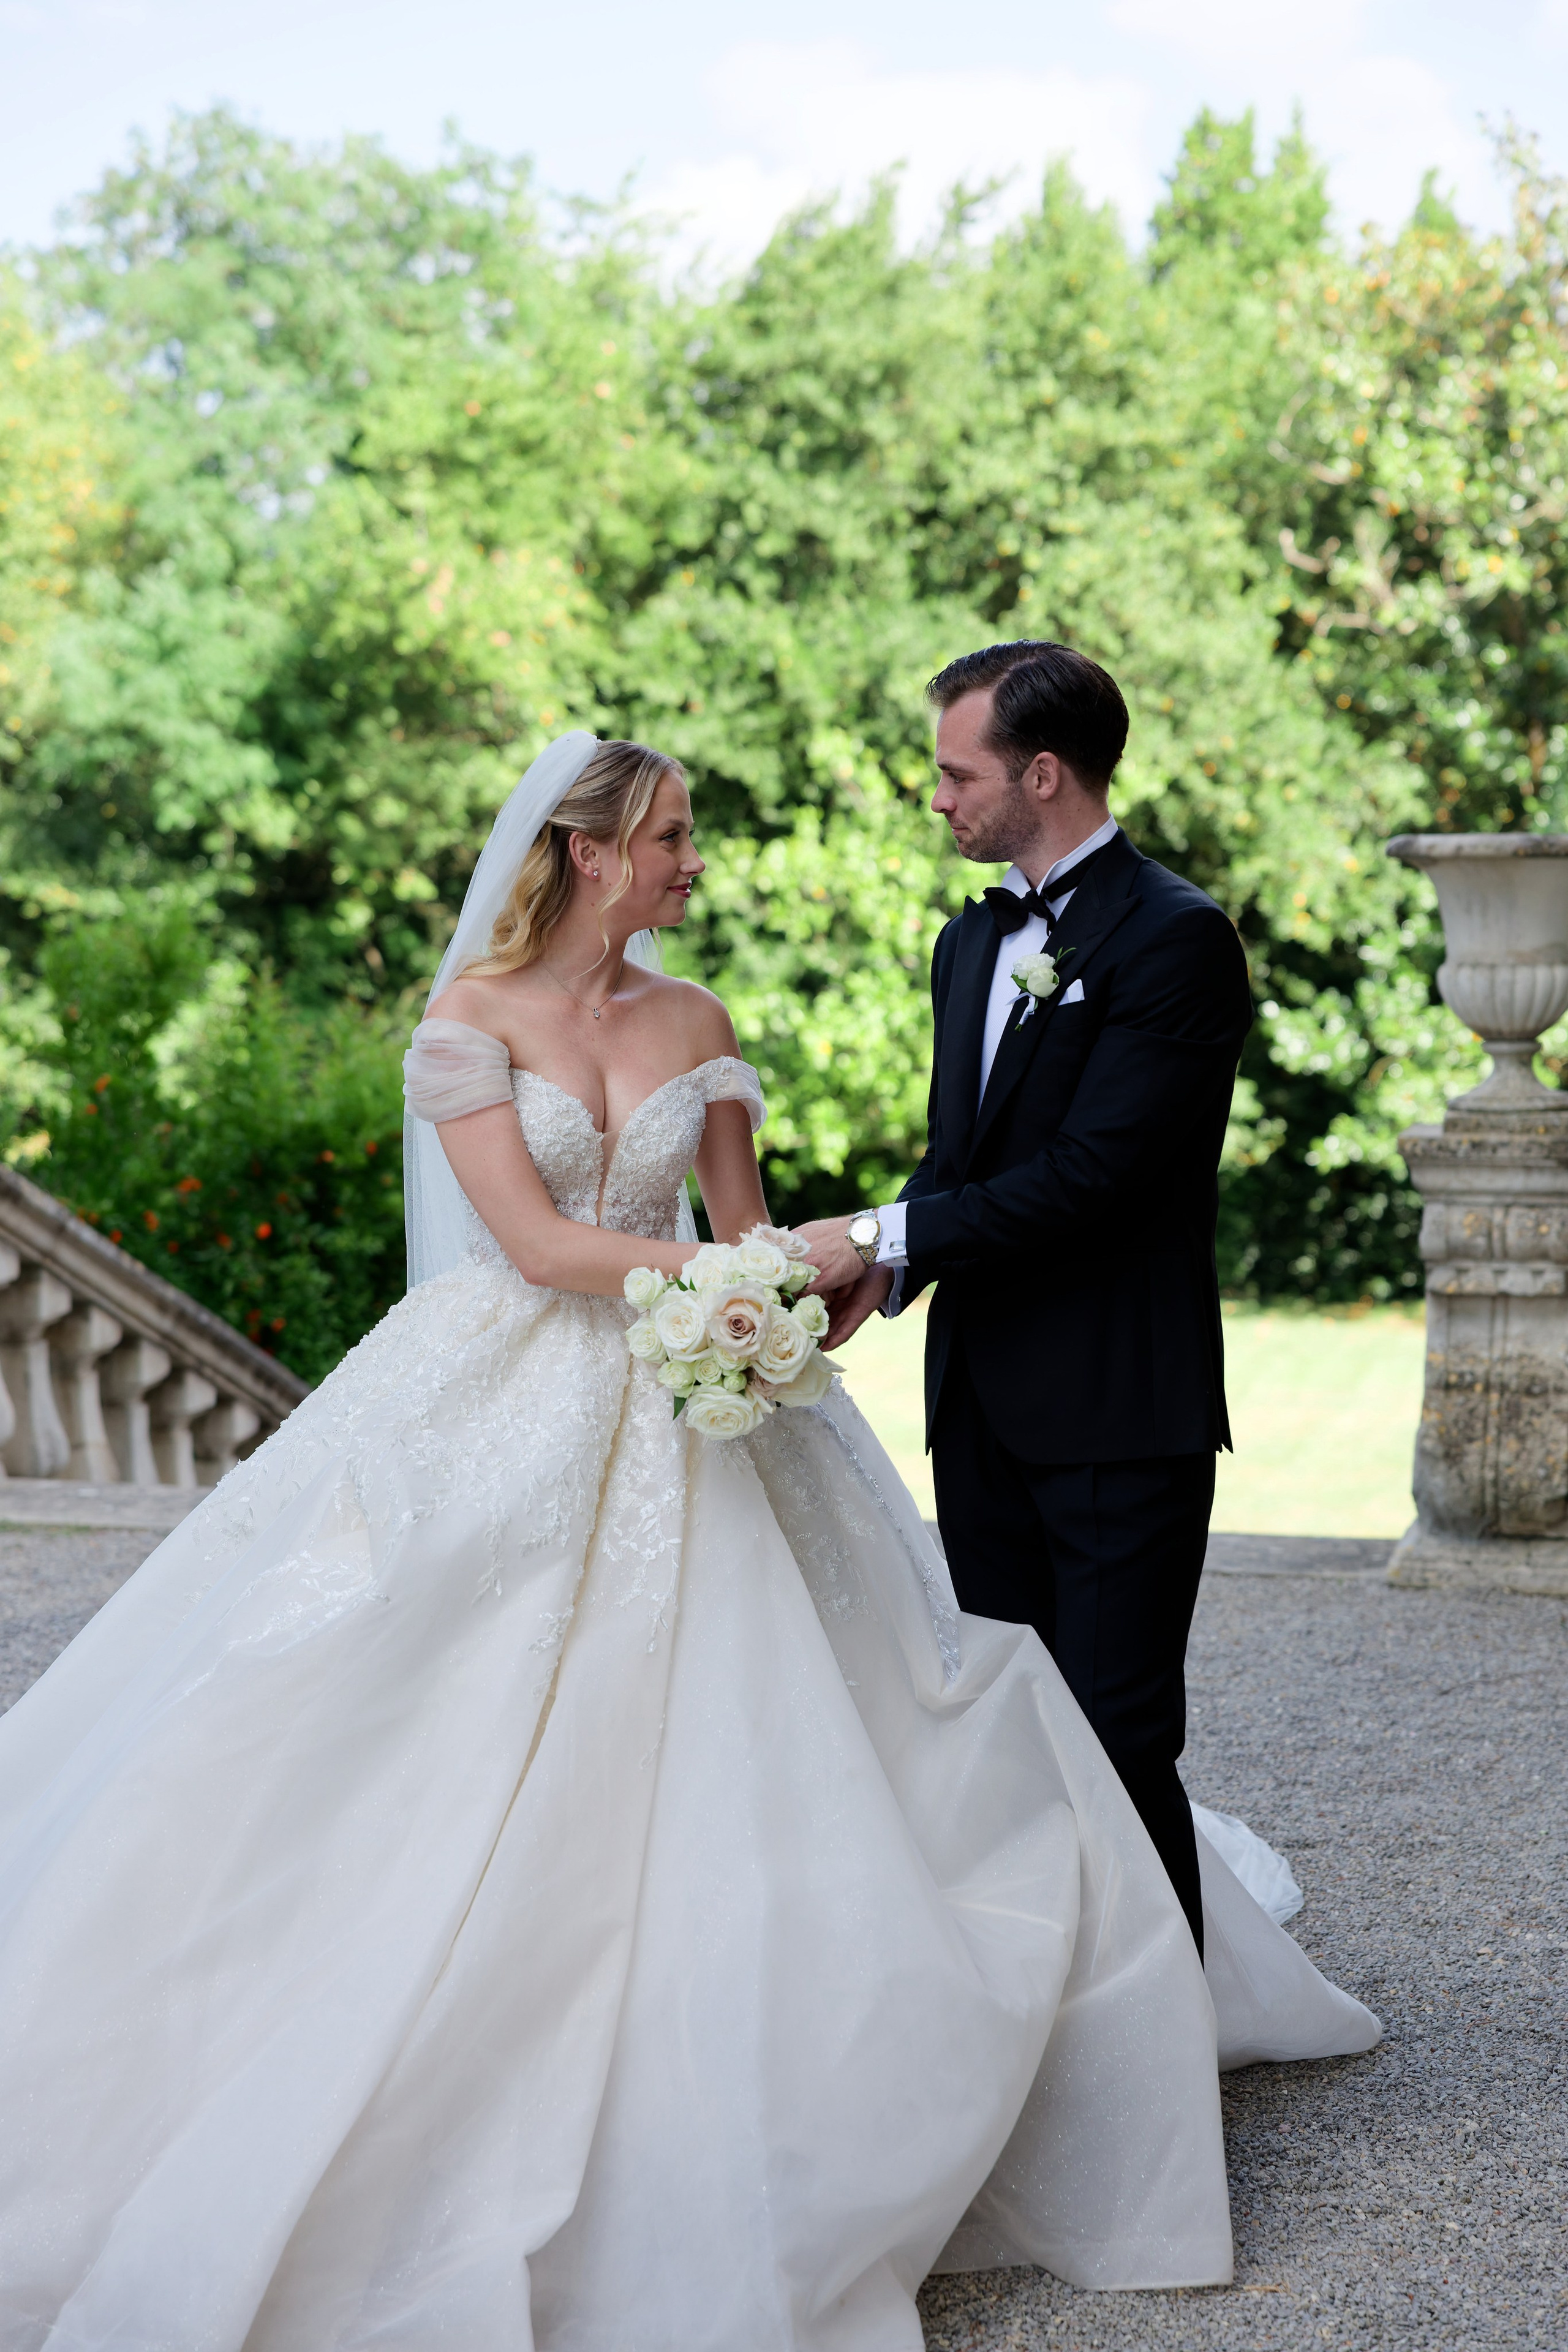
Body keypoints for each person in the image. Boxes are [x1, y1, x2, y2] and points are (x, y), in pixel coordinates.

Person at [0, 731, 1375, 2351]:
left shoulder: (698, 1024)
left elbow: (744, 1218)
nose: (691, 863)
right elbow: (525, 1241)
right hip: (518, 1384)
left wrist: (775, 1288)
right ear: (589, 854)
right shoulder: (470, 1022)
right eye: (670, 838)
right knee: (425, 1673)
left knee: (803, 1707)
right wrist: (706, 1292)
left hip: (710, 1390)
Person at [798, 641, 1254, 1959]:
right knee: (1014, 1721)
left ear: (1040, 773)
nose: (937, 798)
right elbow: (970, 1160)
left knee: (1116, 1735)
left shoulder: (1175, 941)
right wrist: (887, 1267)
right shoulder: (969, 938)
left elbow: (1092, 1182)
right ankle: (1053, 2014)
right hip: (982, 1400)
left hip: (1116, 1404)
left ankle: (1168, 2047)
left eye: (958, 773)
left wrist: (866, 1229)